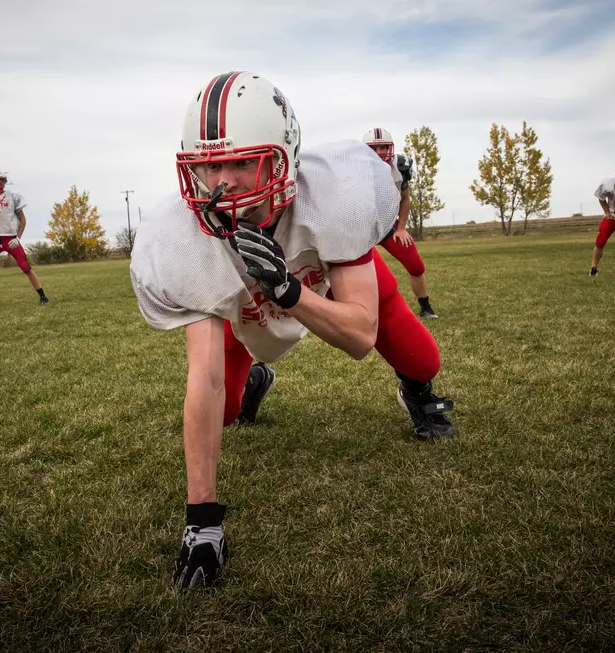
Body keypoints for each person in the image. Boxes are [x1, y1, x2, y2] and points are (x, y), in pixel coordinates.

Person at [130, 72, 455, 589]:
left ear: (286, 154)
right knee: (229, 407)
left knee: (423, 359)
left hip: (321, 289)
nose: (223, 181)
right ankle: (257, 383)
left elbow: (359, 337)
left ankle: (417, 392)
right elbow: (205, 381)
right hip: (243, 315)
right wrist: (202, 522)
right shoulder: (182, 239)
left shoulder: (333, 194)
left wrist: (290, 292)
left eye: (241, 160)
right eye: (211, 163)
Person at [363, 128, 440, 318]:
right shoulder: (355, 168)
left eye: (383, 147)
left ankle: (425, 307)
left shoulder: (399, 167)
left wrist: (402, 227)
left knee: (416, 266)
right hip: (362, 226)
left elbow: (405, 198)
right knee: (354, 268)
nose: (380, 152)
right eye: (375, 148)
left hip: (389, 225)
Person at [0, 169, 49, 308]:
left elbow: (23, 220)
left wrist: (18, 238)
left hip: (9, 238)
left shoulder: (13, 195)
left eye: (0, 179)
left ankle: (43, 296)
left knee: (26, 267)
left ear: (5, 181)